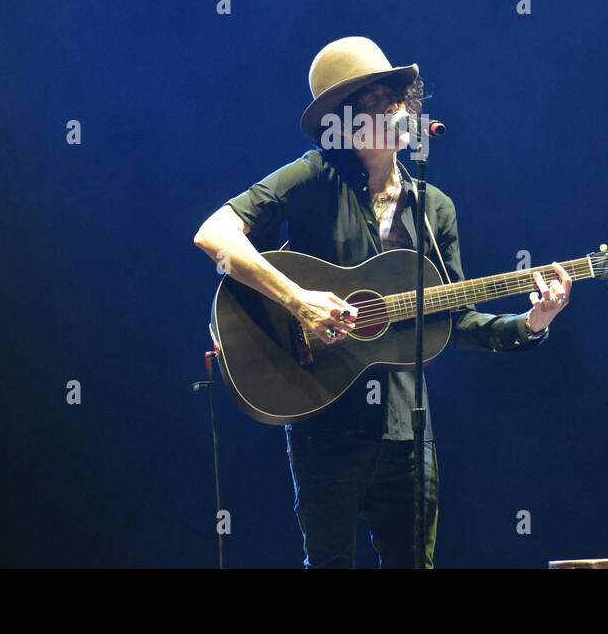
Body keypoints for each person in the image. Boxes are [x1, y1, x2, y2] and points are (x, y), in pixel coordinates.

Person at [193, 36, 572, 567]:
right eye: (372, 101)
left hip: (407, 432)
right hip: (324, 418)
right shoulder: (313, 178)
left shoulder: (433, 207)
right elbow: (214, 234)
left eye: (394, 95)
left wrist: (533, 320)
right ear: (345, 121)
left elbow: (454, 319)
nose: (393, 107)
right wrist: (299, 300)